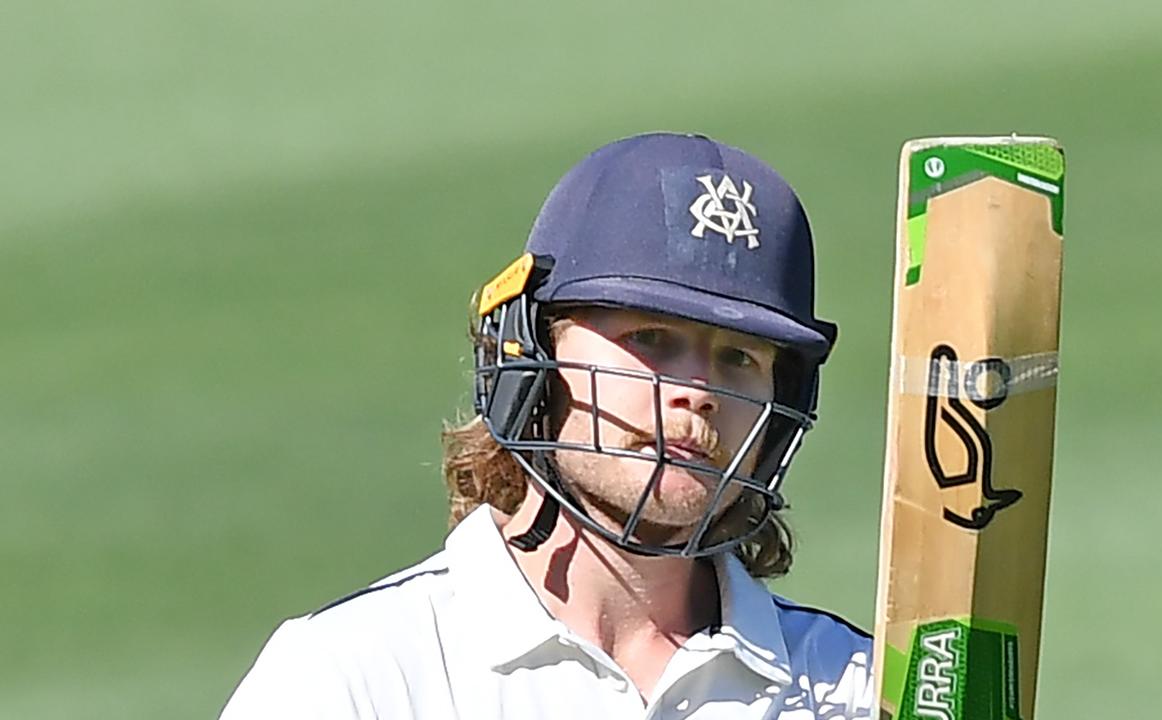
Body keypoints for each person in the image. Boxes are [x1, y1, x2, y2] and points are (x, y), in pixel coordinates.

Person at [221, 132, 873, 719]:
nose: (698, 392)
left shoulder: (855, 690)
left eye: (739, 357)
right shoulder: (355, 679)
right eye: (651, 337)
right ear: (531, 355)